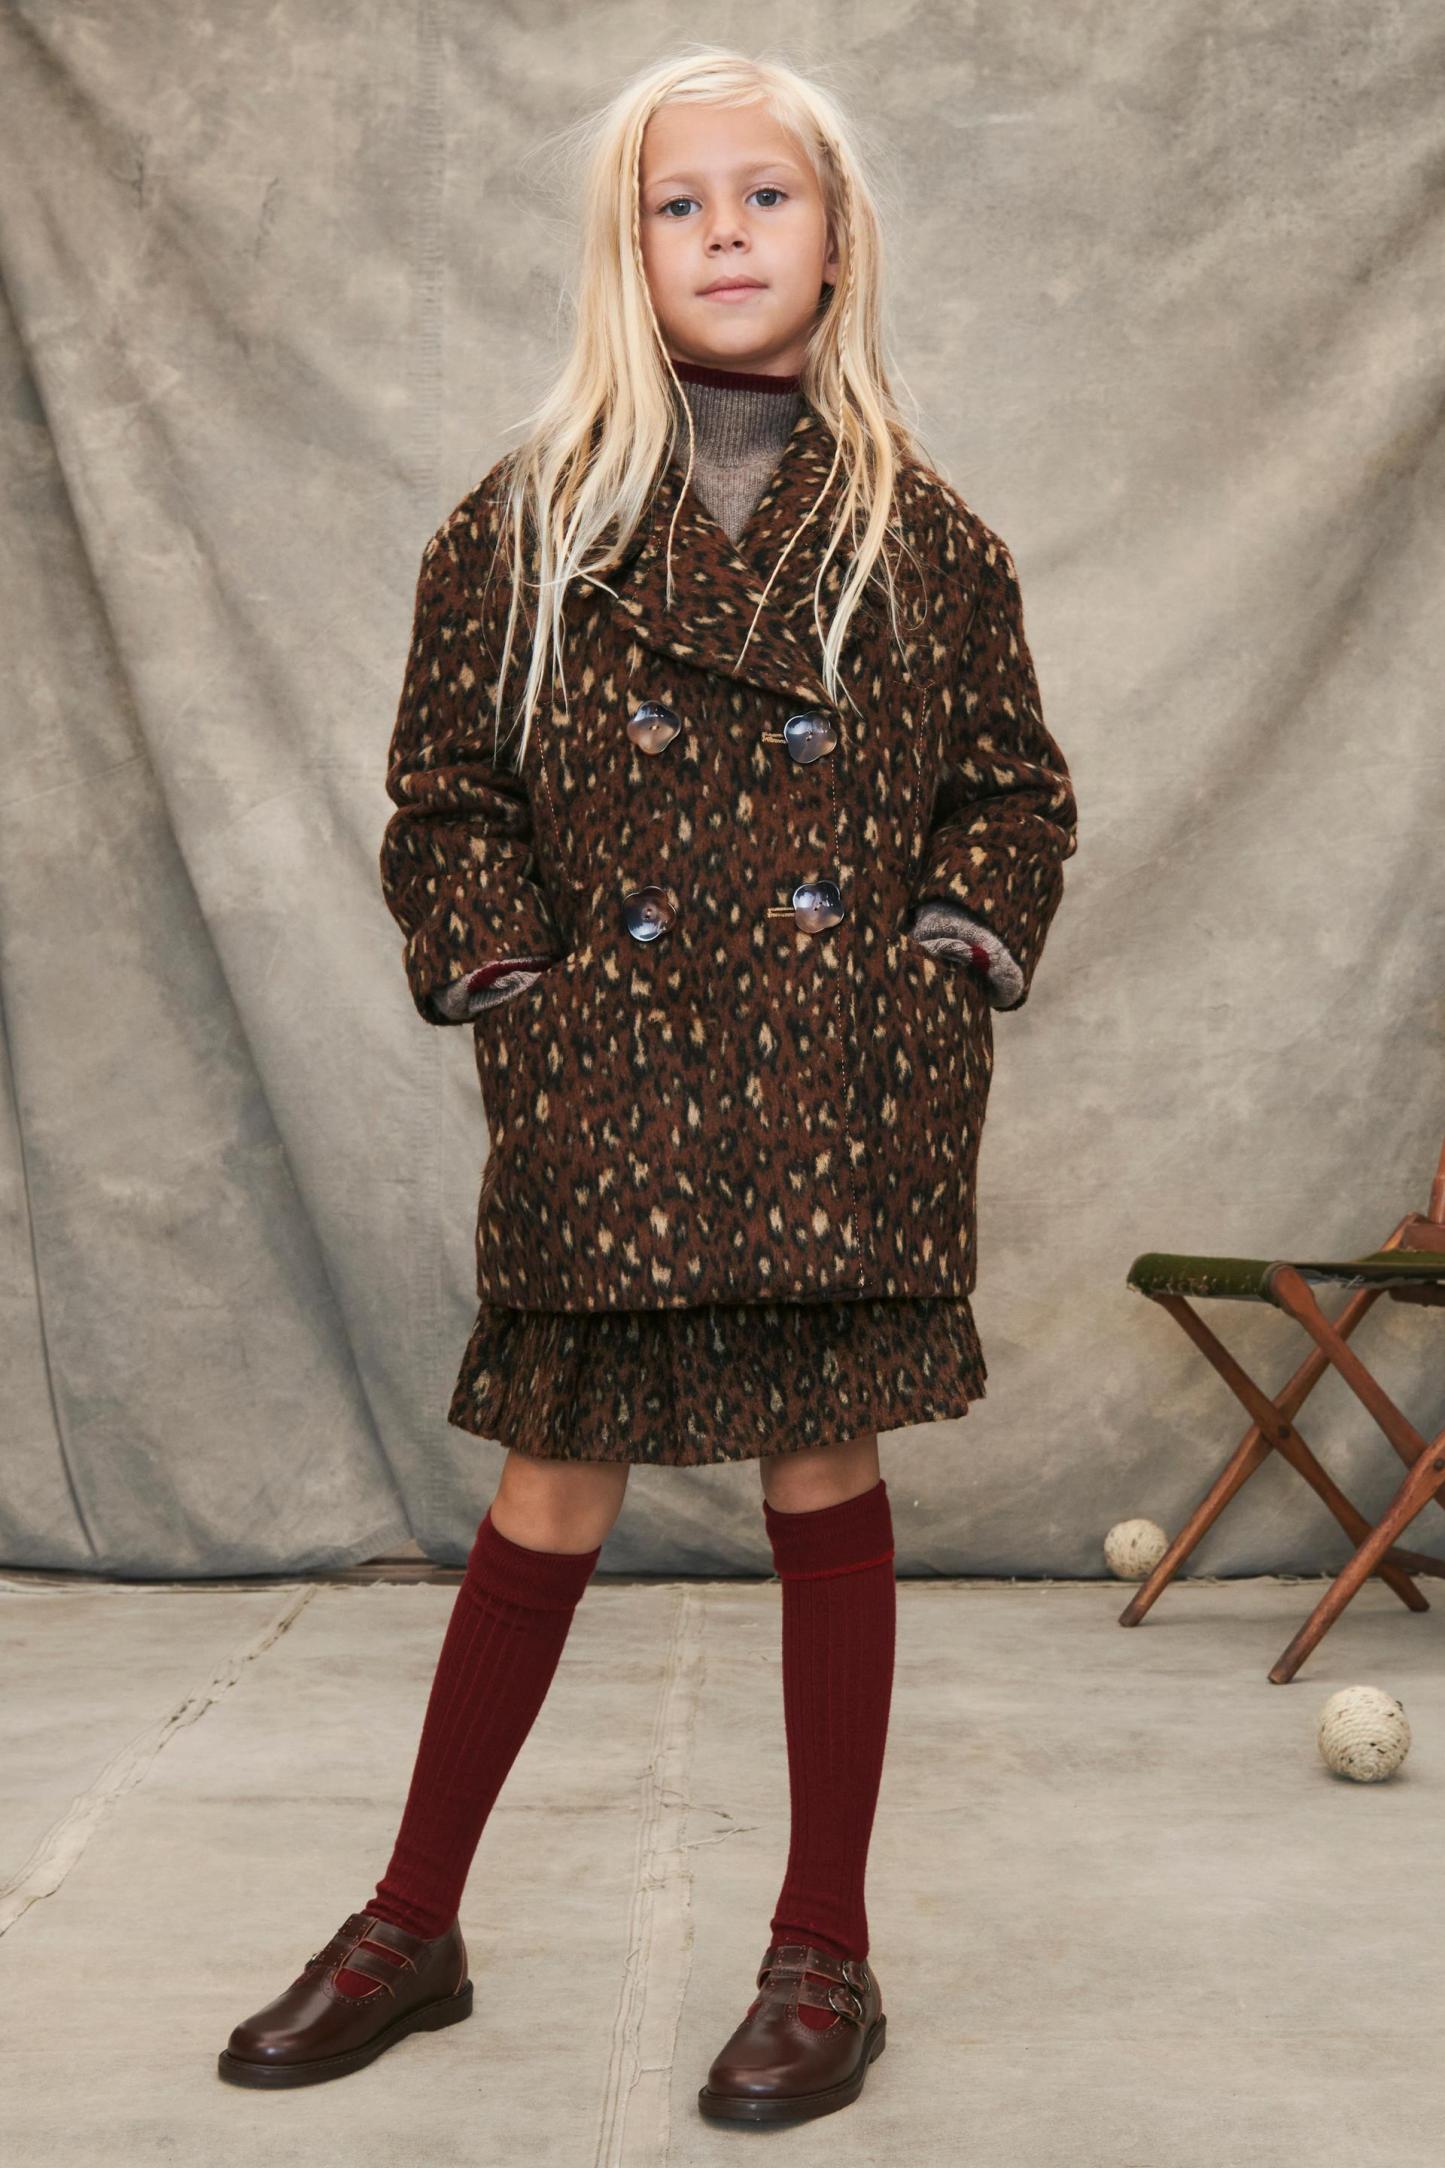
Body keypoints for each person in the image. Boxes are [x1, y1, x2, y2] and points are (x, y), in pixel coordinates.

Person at [218, 46, 1077, 2128]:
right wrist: (515, 986)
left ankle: (823, 1949)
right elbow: (446, 798)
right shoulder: (523, 525)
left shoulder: (926, 537)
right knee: (550, 1482)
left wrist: (942, 958)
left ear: (836, 238)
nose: (724, 232)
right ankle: (412, 1925)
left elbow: (1011, 792)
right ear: (627, 250)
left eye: (765, 196)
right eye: (677, 203)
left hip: (838, 1090)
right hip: (607, 1088)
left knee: (821, 1468)